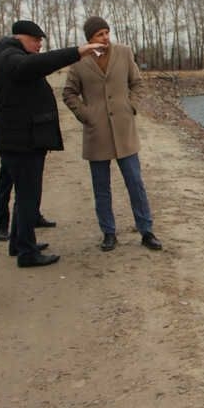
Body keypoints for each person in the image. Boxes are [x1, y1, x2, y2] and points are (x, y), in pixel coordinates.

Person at [0, 19, 102, 267]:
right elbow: (36, 65)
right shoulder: (11, 57)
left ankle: (19, 243)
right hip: (22, 144)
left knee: (24, 196)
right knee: (28, 196)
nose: (39, 45)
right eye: (36, 40)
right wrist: (77, 51)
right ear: (20, 38)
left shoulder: (10, 58)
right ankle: (27, 253)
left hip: (22, 141)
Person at [62, 16, 162, 252]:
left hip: (124, 131)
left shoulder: (124, 53)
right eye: (99, 34)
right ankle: (108, 233)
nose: (105, 38)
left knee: (135, 183)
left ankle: (146, 231)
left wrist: (131, 106)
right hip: (97, 134)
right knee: (101, 187)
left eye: (107, 32)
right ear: (90, 39)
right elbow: (69, 93)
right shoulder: (79, 61)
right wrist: (86, 115)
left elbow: (137, 83)